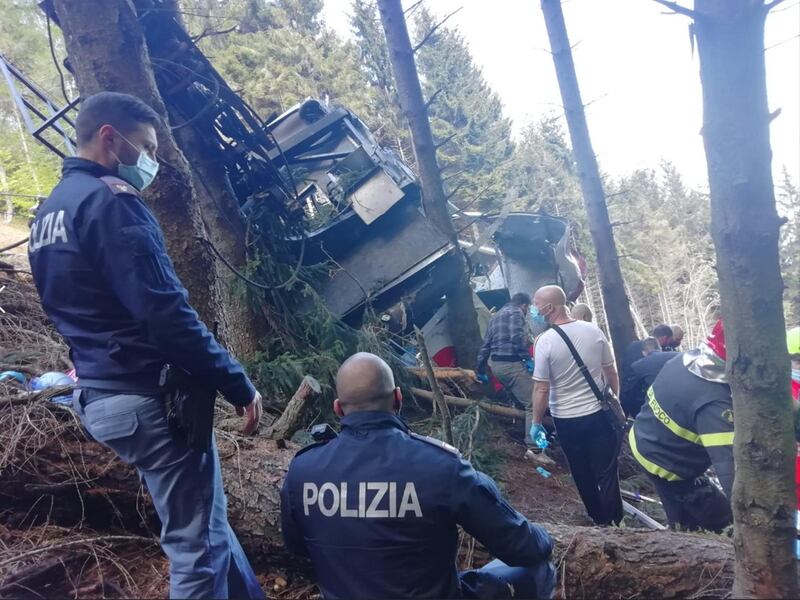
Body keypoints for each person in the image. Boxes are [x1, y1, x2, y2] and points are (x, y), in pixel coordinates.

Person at [27, 92, 264, 599]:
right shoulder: (112, 202)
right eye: (146, 147)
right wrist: (237, 383)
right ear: (110, 138)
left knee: (205, 526)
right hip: (148, 399)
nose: (151, 161)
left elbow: (66, 307)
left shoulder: (50, 213)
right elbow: (165, 312)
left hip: (98, 392)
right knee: (195, 552)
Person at [281, 352, 555, 599]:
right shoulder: (439, 466)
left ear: (338, 408)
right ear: (398, 399)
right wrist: (546, 537)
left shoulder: (303, 470)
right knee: (539, 569)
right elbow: (524, 546)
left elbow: (297, 546)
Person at [529, 285, 623, 526]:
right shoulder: (593, 330)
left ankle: (598, 519)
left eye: (536, 304)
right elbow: (610, 371)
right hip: (598, 413)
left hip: (566, 419)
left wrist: (536, 422)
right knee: (607, 472)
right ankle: (616, 521)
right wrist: (614, 399)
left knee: (582, 472)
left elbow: (541, 388)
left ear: (550, 307)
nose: (533, 308)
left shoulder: (544, 341)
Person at [628, 320, 733, 532]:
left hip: (644, 440)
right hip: (668, 462)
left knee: (681, 517)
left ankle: (682, 531)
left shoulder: (684, 360)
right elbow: (732, 470)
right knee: (721, 521)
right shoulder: (714, 403)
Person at [475, 293, 537, 445]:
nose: (526, 312)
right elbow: (516, 338)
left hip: (497, 367)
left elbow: (486, 345)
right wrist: (527, 359)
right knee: (534, 403)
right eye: (527, 309)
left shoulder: (495, 317)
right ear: (524, 305)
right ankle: (533, 447)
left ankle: (520, 433)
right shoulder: (516, 312)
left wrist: (480, 368)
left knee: (519, 401)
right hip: (511, 365)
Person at [619, 338, 680, 418]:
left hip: (657, 409)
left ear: (643, 352)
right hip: (679, 402)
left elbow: (629, 392)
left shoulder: (638, 366)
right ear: (660, 348)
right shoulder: (677, 356)